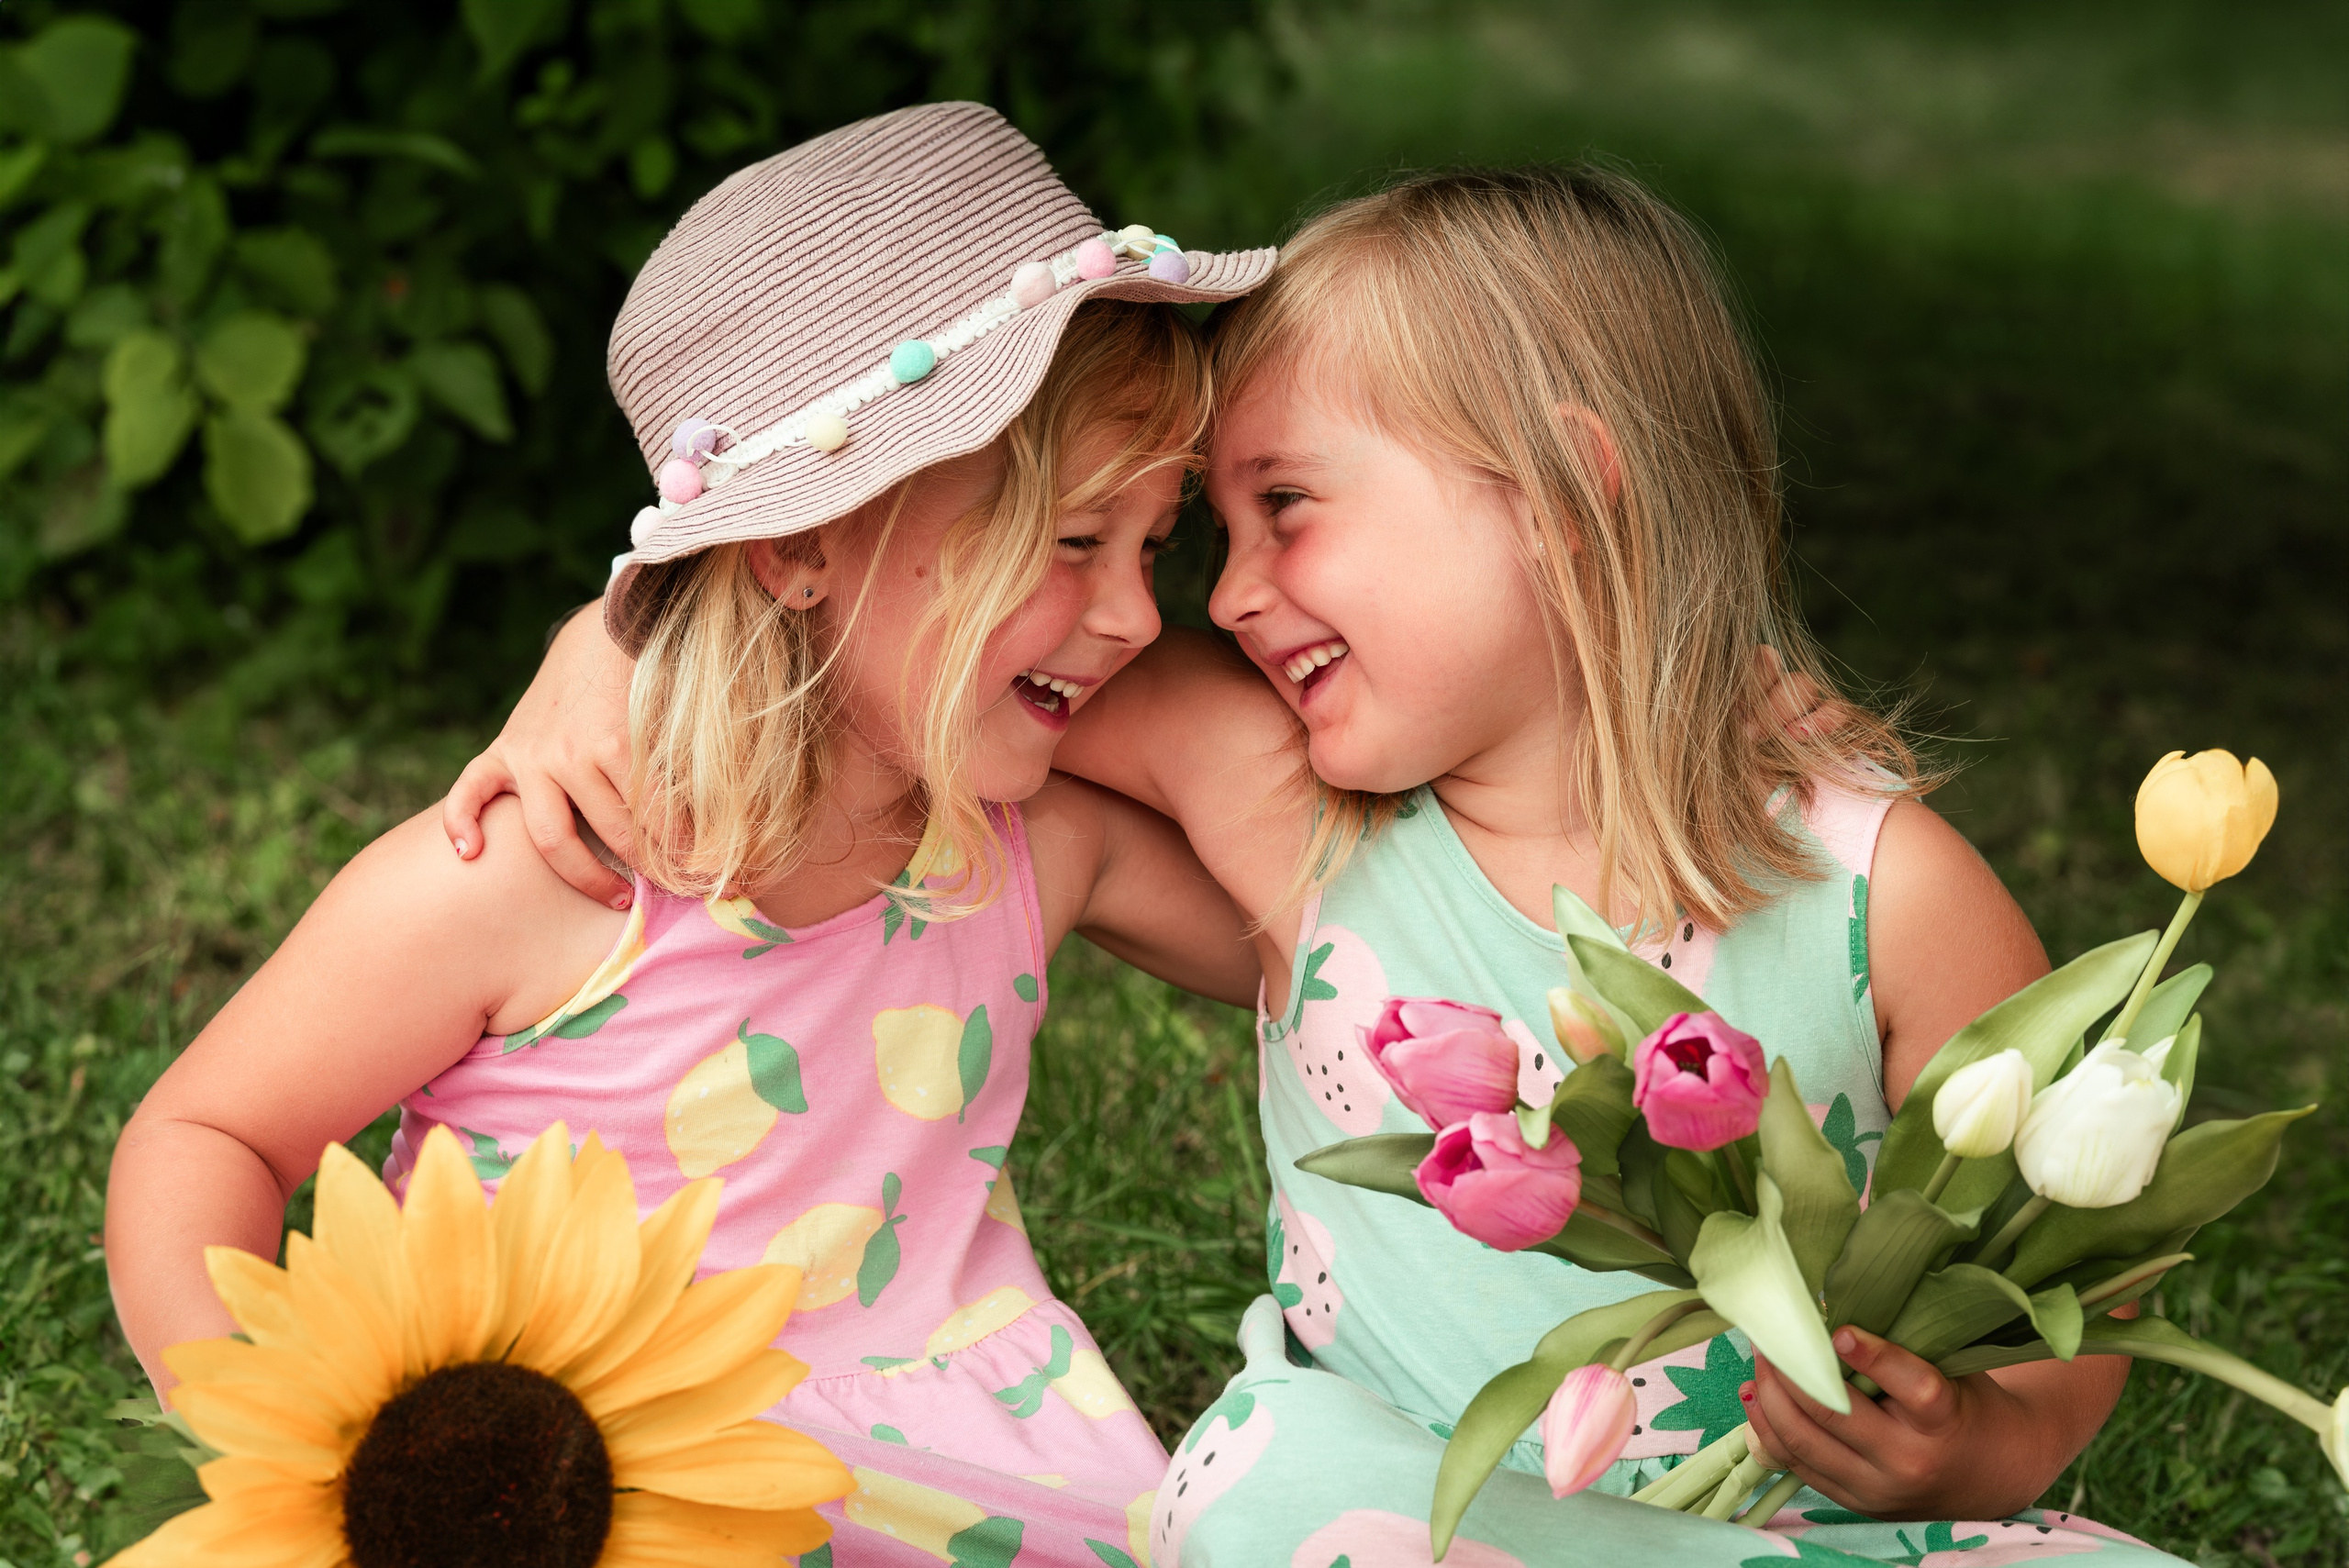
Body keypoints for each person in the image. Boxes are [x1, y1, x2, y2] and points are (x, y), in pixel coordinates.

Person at [444, 167, 2186, 1563]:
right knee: (1272, 1495)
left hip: (1804, 1536)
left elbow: (2073, 1256)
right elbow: (873, 656)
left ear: (1570, 499)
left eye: (1286, 508)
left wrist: (1988, 1439)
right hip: (1416, 1514)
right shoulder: (1292, 814)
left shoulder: (1883, 887)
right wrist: (604, 648)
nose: (1220, 593)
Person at [107, 103, 1275, 1566]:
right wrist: (263, 1436)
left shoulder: (1021, 847)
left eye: (1151, 544)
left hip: (965, 1476)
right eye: (1068, 539)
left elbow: (1314, 945)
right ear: (796, 547)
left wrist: (1219, 735)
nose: (1130, 618)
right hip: (565, 1481)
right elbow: (206, 1131)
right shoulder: (542, 876)